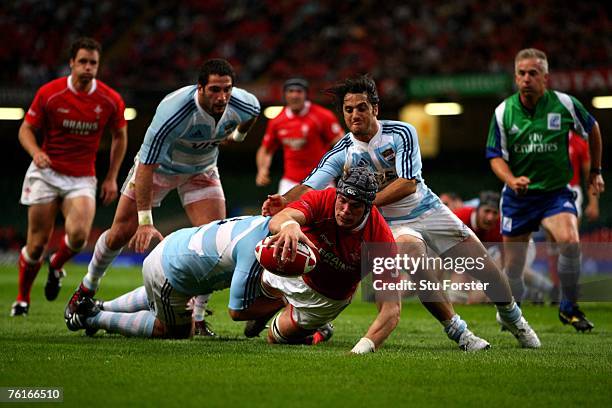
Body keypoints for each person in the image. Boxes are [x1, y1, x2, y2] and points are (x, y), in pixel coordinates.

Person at [263, 75, 540, 349]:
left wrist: (365, 201)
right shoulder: (342, 151)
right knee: (415, 261)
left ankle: (513, 318)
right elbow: (310, 185)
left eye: (361, 107)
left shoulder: (401, 133)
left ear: (375, 108)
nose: (355, 114)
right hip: (391, 224)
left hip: (427, 209)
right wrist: (283, 200)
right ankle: (460, 333)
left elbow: (408, 184)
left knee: (484, 269)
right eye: (349, 110)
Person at [66, 167, 400, 353]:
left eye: (354, 206)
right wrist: (290, 225)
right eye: (342, 201)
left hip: (180, 254)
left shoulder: (381, 238)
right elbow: (236, 312)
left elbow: (391, 307)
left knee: (275, 336)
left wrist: (364, 347)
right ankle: (93, 317)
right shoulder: (260, 246)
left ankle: (99, 305)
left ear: (370, 206)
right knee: (171, 329)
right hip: (171, 271)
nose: (344, 209)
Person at [65, 58, 260, 335]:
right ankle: (86, 290)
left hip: (201, 171)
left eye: (227, 89)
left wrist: (238, 136)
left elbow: (253, 113)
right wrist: (145, 221)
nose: (223, 97)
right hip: (159, 170)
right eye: (215, 90)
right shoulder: (174, 111)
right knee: (121, 232)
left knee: (214, 245)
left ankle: (200, 318)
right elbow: (145, 167)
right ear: (200, 88)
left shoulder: (243, 103)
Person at [486, 48, 605, 332]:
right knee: (513, 267)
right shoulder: (503, 112)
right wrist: (512, 180)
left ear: (546, 78)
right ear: (516, 78)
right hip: (519, 198)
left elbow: (594, 129)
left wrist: (596, 171)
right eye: (522, 74)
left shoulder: (564, 103)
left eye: (533, 73)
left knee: (570, 242)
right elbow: (494, 155)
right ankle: (512, 312)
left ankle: (568, 307)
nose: (527, 78)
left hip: (555, 193)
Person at [11, 37, 128, 317]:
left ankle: (56, 265)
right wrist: (36, 152)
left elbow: (120, 136)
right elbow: (25, 130)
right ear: (72, 64)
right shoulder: (50, 93)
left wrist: (111, 177)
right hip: (46, 173)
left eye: (93, 63)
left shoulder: (110, 100)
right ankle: (22, 299)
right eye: (83, 62)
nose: (88, 68)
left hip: (81, 176)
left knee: (77, 237)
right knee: (37, 244)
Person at [452, 191, 553, 304]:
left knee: (512, 271)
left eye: (494, 213)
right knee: (470, 297)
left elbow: (506, 261)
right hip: (494, 250)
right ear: (477, 210)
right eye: (486, 211)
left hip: (520, 243)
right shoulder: (458, 218)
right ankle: (532, 293)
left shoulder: (501, 226)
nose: (490, 217)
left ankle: (551, 290)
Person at [255, 77, 343, 194]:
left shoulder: (322, 116)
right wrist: (262, 170)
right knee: (281, 211)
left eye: (299, 91)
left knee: (327, 212)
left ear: (306, 95)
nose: (295, 95)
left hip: (321, 180)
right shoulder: (277, 121)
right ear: (285, 95)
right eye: (291, 91)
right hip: (290, 182)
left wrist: (342, 169)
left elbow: (341, 143)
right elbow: (266, 149)